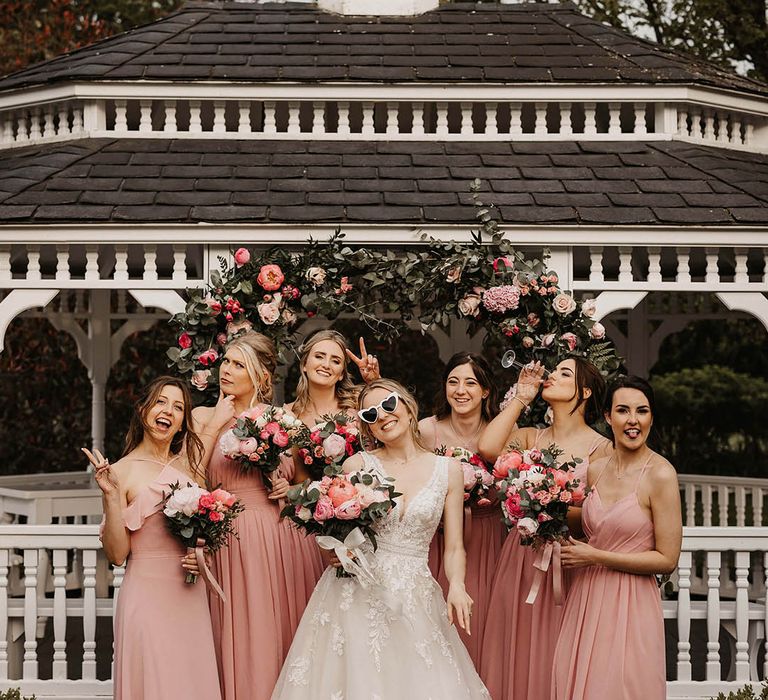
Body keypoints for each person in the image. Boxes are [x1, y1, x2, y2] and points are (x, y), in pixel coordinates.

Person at [271, 379, 490, 699]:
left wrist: (457, 584)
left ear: (407, 407)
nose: (383, 416)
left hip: (414, 594)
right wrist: (336, 553)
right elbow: (335, 532)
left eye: (388, 405)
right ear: (367, 428)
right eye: (371, 414)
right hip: (355, 593)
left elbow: (455, 546)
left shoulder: (449, 470)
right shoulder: (356, 466)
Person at [192, 331, 323, 700]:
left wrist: (290, 489)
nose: (227, 370)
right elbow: (191, 478)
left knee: (274, 626)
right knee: (235, 628)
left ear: (262, 377)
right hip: (226, 536)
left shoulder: (284, 420)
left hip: (278, 535)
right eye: (226, 362)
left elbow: (304, 482)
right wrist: (217, 424)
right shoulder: (202, 416)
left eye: (238, 364)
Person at [479, 356, 612, 700]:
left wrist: (547, 505)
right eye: (552, 372)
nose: (551, 376)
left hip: (567, 561)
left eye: (563, 373)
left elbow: (596, 516)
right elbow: (488, 447)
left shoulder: (602, 449)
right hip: (520, 559)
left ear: (583, 391)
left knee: (559, 652)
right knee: (517, 645)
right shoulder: (528, 437)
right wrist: (522, 396)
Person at [84, 376, 221, 700]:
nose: (168, 411)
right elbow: (118, 555)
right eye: (161, 402)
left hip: (190, 597)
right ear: (143, 409)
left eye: (178, 407)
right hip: (147, 597)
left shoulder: (191, 469)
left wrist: (202, 556)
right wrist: (111, 496)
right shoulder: (121, 470)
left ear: (182, 424)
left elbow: (204, 535)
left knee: (190, 684)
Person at [552, 376, 681, 699]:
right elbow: (589, 524)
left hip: (632, 602)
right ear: (608, 417)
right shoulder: (596, 469)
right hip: (587, 597)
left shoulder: (661, 474)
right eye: (623, 410)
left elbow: (667, 559)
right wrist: (538, 505)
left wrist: (595, 557)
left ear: (651, 417)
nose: (633, 420)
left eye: (642, 411)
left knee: (623, 686)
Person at [419, 351, 502, 666]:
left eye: (470, 382)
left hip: (487, 540)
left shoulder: (500, 433)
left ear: (485, 391)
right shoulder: (426, 431)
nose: (461, 390)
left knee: (483, 626)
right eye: (453, 382)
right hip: (437, 540)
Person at [285, 329, 380, 481]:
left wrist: (375, 382)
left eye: (335, 361)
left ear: (342, 373)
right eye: (319, 356)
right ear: (304, 364)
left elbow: (393, 425)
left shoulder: (359, 404)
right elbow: (298, 481)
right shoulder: (288, 415)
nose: (326, 365)